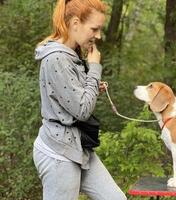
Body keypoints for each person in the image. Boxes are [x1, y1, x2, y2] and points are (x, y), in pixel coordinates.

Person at [33, 0, 127, 199]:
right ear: (75, 23)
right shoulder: (57, 58)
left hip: (78, 147)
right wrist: (94, 68)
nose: (98, 36)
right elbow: (83, 110)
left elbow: (74, 96)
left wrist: (92, 87)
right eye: (95, 29)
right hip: (59, 151)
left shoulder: (70, 55)